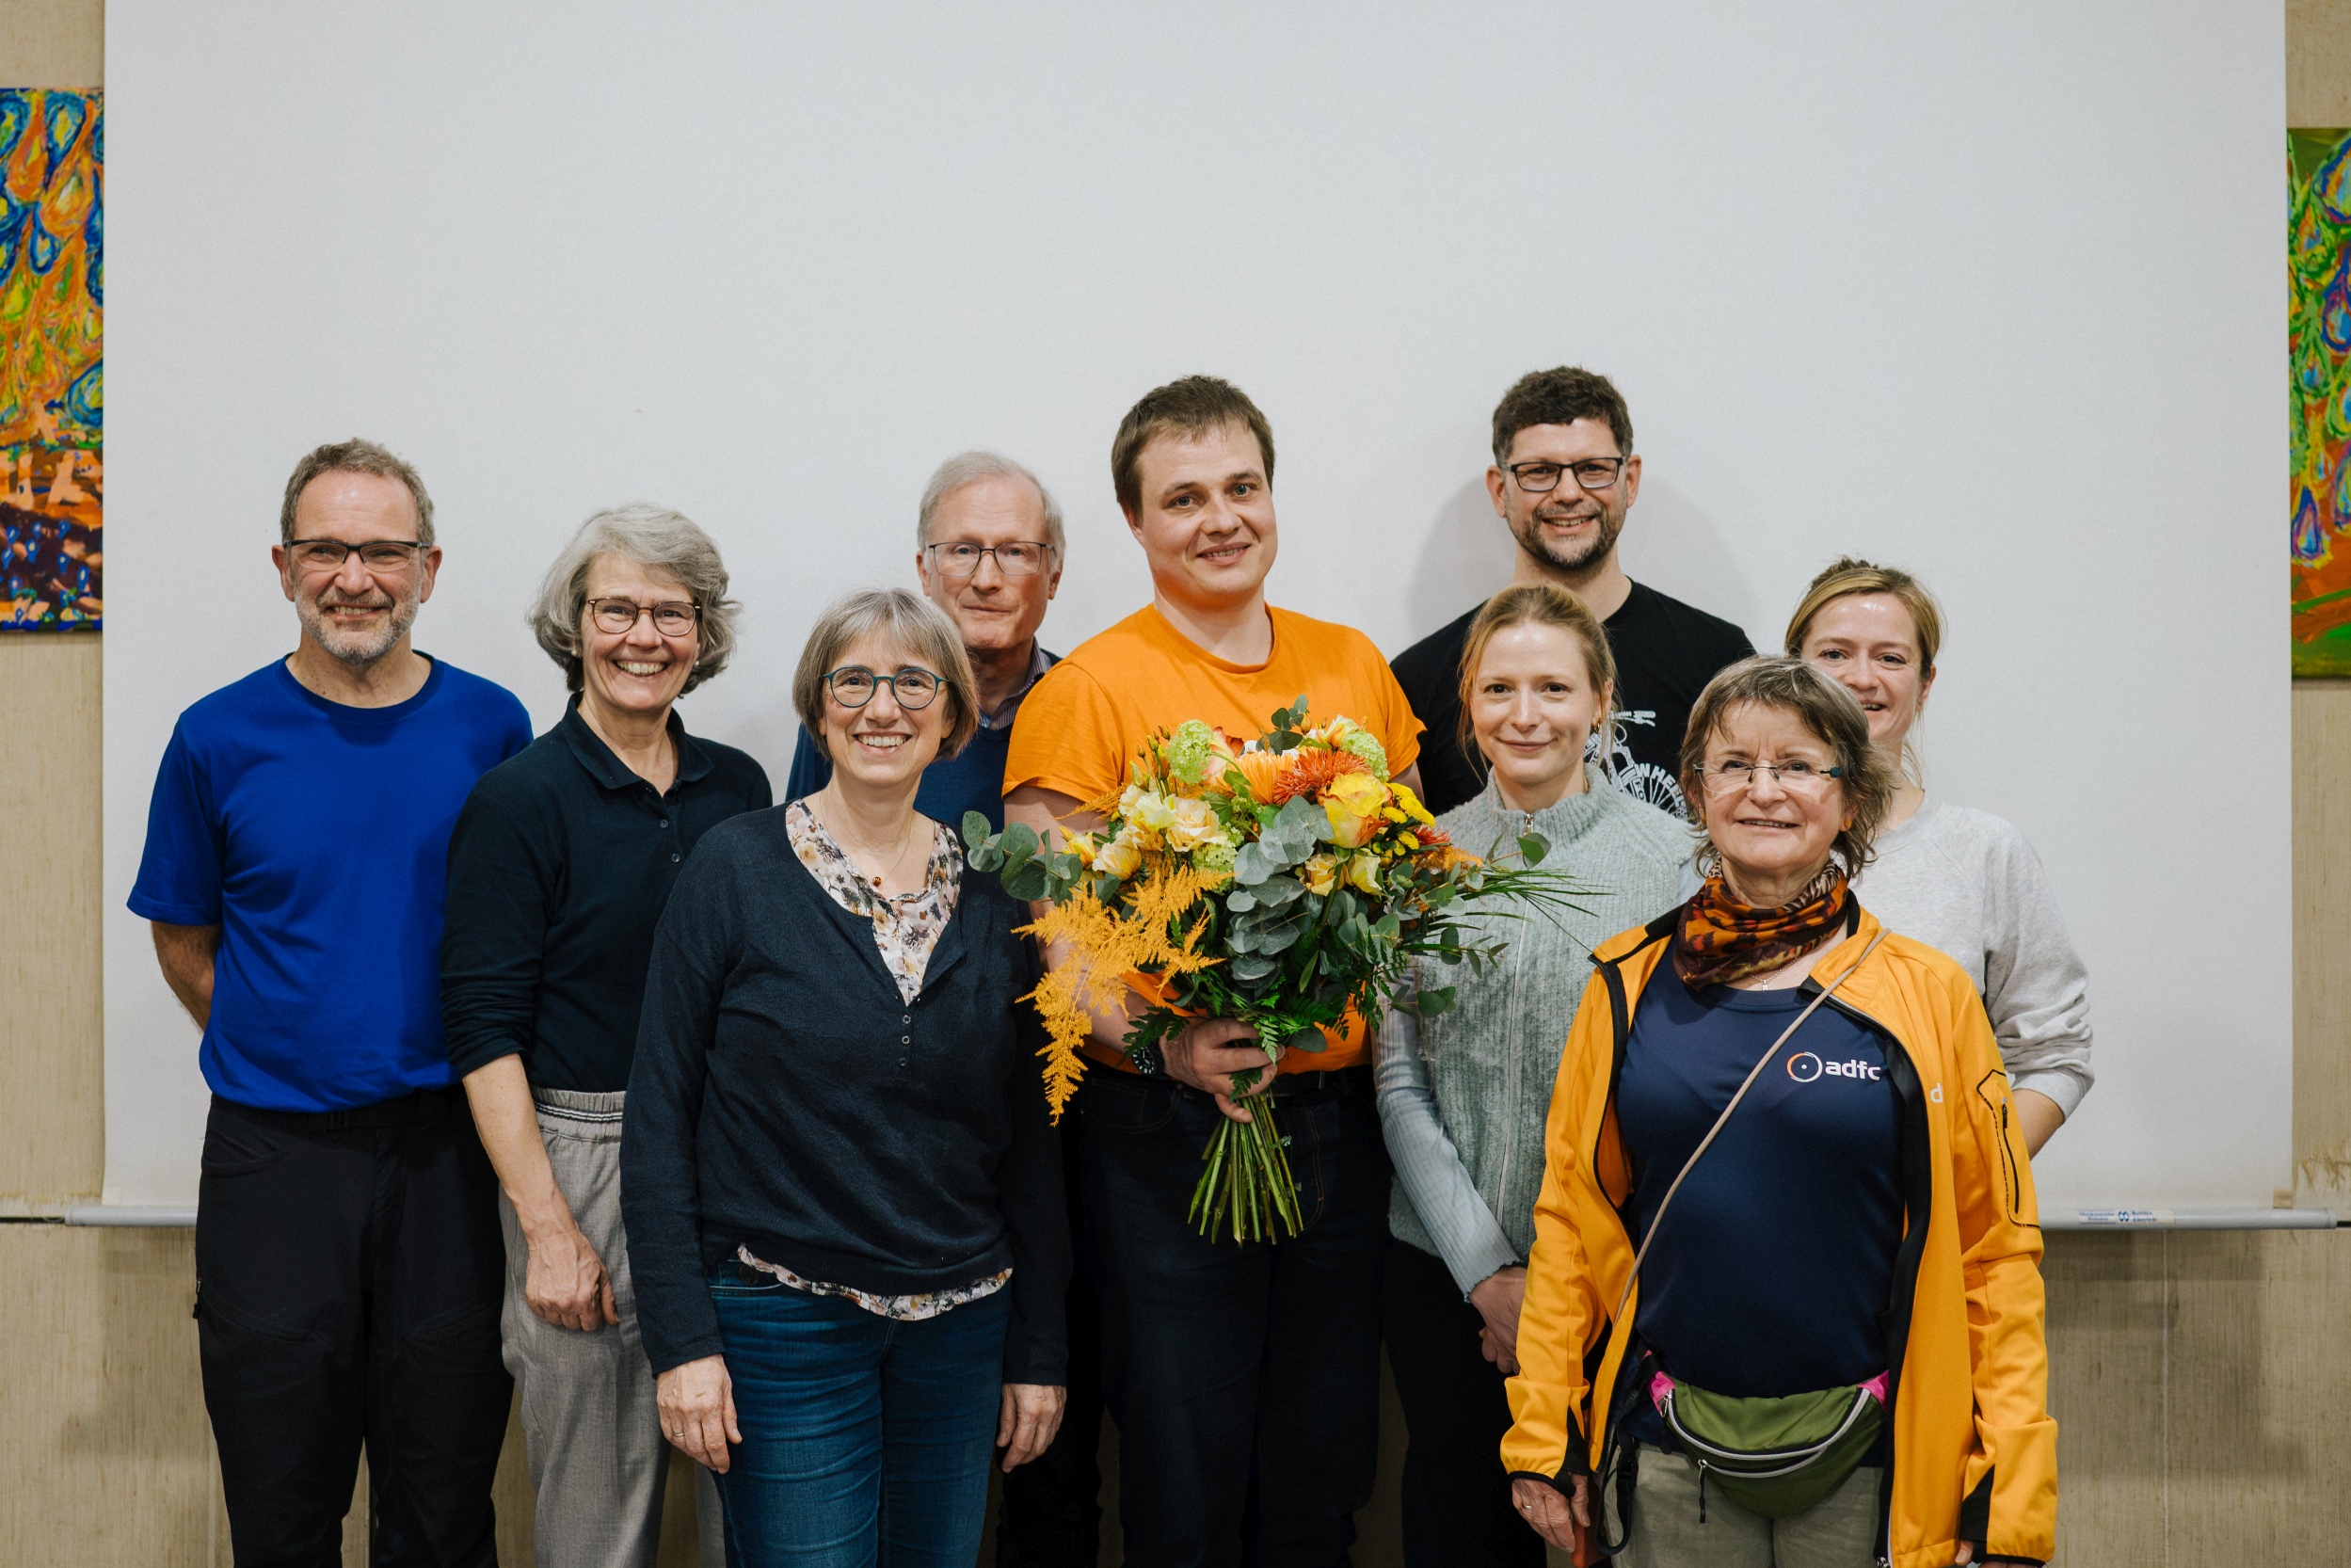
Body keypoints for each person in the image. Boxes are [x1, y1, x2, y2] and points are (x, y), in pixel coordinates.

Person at [1002, 375, 1424, 1568]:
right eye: (1183, 497)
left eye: (1242, 487)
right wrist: (1171, 1047)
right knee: (1184, 1473)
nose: (1220, 517)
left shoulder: (1354, 666)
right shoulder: (1082, 694)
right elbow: (1065, 951)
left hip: (1339, 1126)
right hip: (1165, 1130)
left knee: (1323, 1468)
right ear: (1134, 522)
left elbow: (1404, 886)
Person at [1503, 656, 2055, 1568]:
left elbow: (1993, 1253)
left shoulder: (1930, 998)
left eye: (1798, 765)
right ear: (1696, 791)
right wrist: (1542, 1435)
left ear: (1850, 799)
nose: (1764, 791)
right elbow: (1570, 1222)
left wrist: (2006, 1495)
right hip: (1665, 1449)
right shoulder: (1624, 984)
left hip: (1876, 1458)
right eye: (1735, 765)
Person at [130, 439, 531, 1565]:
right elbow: (183, 937)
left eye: (383, 551)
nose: (354, 577)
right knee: (280, 1509)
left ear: (428, 567)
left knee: (442, 1511)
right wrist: (286, 1041)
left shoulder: (493, 728)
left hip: (450, 1162)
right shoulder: (216, 736)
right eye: (326, 549)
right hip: (275, 1166)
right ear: (284, 565)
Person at [622, 587, 1070, 1567]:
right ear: (818, 709)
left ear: (951, 717)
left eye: (913, 682)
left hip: (961, 1327)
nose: (882, 707)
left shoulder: (995, 894)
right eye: (853, 680)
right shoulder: (732, 869)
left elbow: (1029, 1139)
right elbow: (659, 1113)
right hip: (781, 1321)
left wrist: (1038, 1349)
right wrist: (683, 1343)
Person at [440, 504, 771, 1568]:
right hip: (583, 1160)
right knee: (598, 1524)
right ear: (574, 625)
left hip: (732, 1155)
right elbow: (483, 1032)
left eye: (671, 613)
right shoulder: (518, 801)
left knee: (755, 1507)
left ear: (702, 632)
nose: (643, 636)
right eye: (616, 609)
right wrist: (547, 1229)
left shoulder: (740, 789)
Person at [1376, 583, 1690, 1568]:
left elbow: (1683, 1083)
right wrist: (1487, 1274)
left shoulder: (1679, 862)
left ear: (1601, 700)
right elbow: (1398, 1082)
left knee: (1620, 1534)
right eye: (1499, 688)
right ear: (1466, 701)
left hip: (1620, 1277)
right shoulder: (1418, 861)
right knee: (1466, 1533)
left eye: (1553, 687)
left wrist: (1562, 1288)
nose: (1525, 715)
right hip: (1444, 1277)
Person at [1786, 556, 2091, 1154]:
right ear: (1794, 670)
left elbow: (2055, 1054)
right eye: (1835, 653)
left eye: (1891, 658)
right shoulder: (1739, 844)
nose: (1862, 678)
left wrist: (1967, 1180)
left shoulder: (1985, 852)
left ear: (1925, 684)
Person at [1391, 366, 1754, 818]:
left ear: (1630, 480)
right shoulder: (1419, 681)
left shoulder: (1719, 660)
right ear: (1500, 490)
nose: (1567, 492)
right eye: (1539, 471)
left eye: (1592, 469)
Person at [785, 451, 1065, 831]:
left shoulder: (1090, 708)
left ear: (1053, 576)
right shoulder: (854, 707)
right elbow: (796, 851)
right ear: (924, 571)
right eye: (963, 551)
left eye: (1015, 552)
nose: (986, 579)